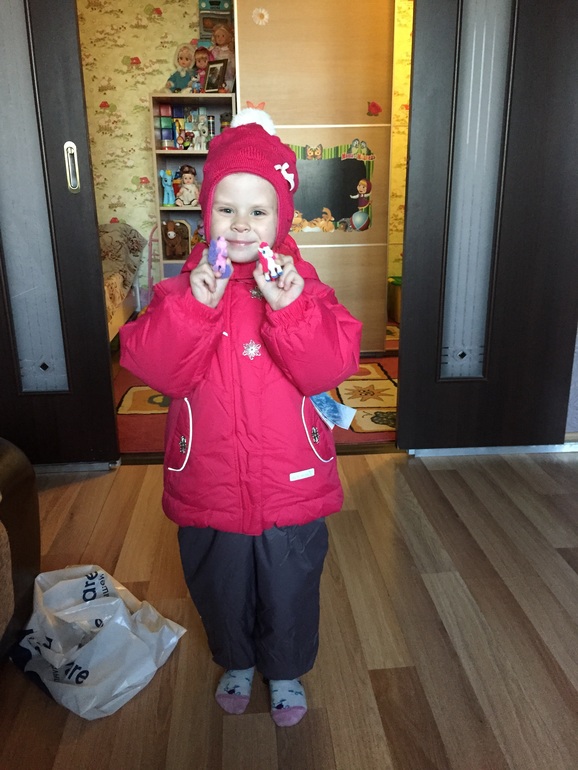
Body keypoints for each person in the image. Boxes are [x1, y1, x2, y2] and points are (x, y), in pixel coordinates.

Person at [120, 108, 362, 727]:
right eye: (226, 209)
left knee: (290, 584)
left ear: (282, 219)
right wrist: (194, 311)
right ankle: (236, 659)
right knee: (219, 583)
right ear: (206, 214)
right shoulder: (183, 290)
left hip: (291, 481)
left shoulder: (306, 288)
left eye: (259, 211)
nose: (242, 224)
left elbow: (328, 368)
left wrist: (291, 310)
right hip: (210, 479)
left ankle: (284, 670)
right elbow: (155, 369)